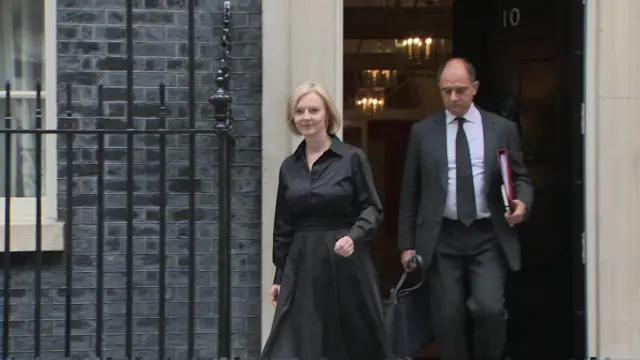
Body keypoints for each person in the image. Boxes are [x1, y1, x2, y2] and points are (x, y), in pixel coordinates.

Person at [397, 58, 534, 360]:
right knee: (447, 318)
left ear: (475, 88)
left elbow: (520, 177)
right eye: (446, 91)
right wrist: (406, 245)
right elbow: (410, 192)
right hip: (442, 236)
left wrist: (522, 203)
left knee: (490, 309)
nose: (453, 98)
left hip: (487, 235)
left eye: (460, 90)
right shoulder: (423, 132)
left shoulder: (501, 129)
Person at [261, 80, 393, 360]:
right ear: (293, 118)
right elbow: (283, 225)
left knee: (349, 342)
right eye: (300, 111)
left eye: (313, 110)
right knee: (293, 344)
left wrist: (354, 236)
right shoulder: (289, 166)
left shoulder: (352, 159)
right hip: (302, 263)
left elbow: (372, 208)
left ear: (328, 116)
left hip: (344, 261)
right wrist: (280, 275)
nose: (306, 117)